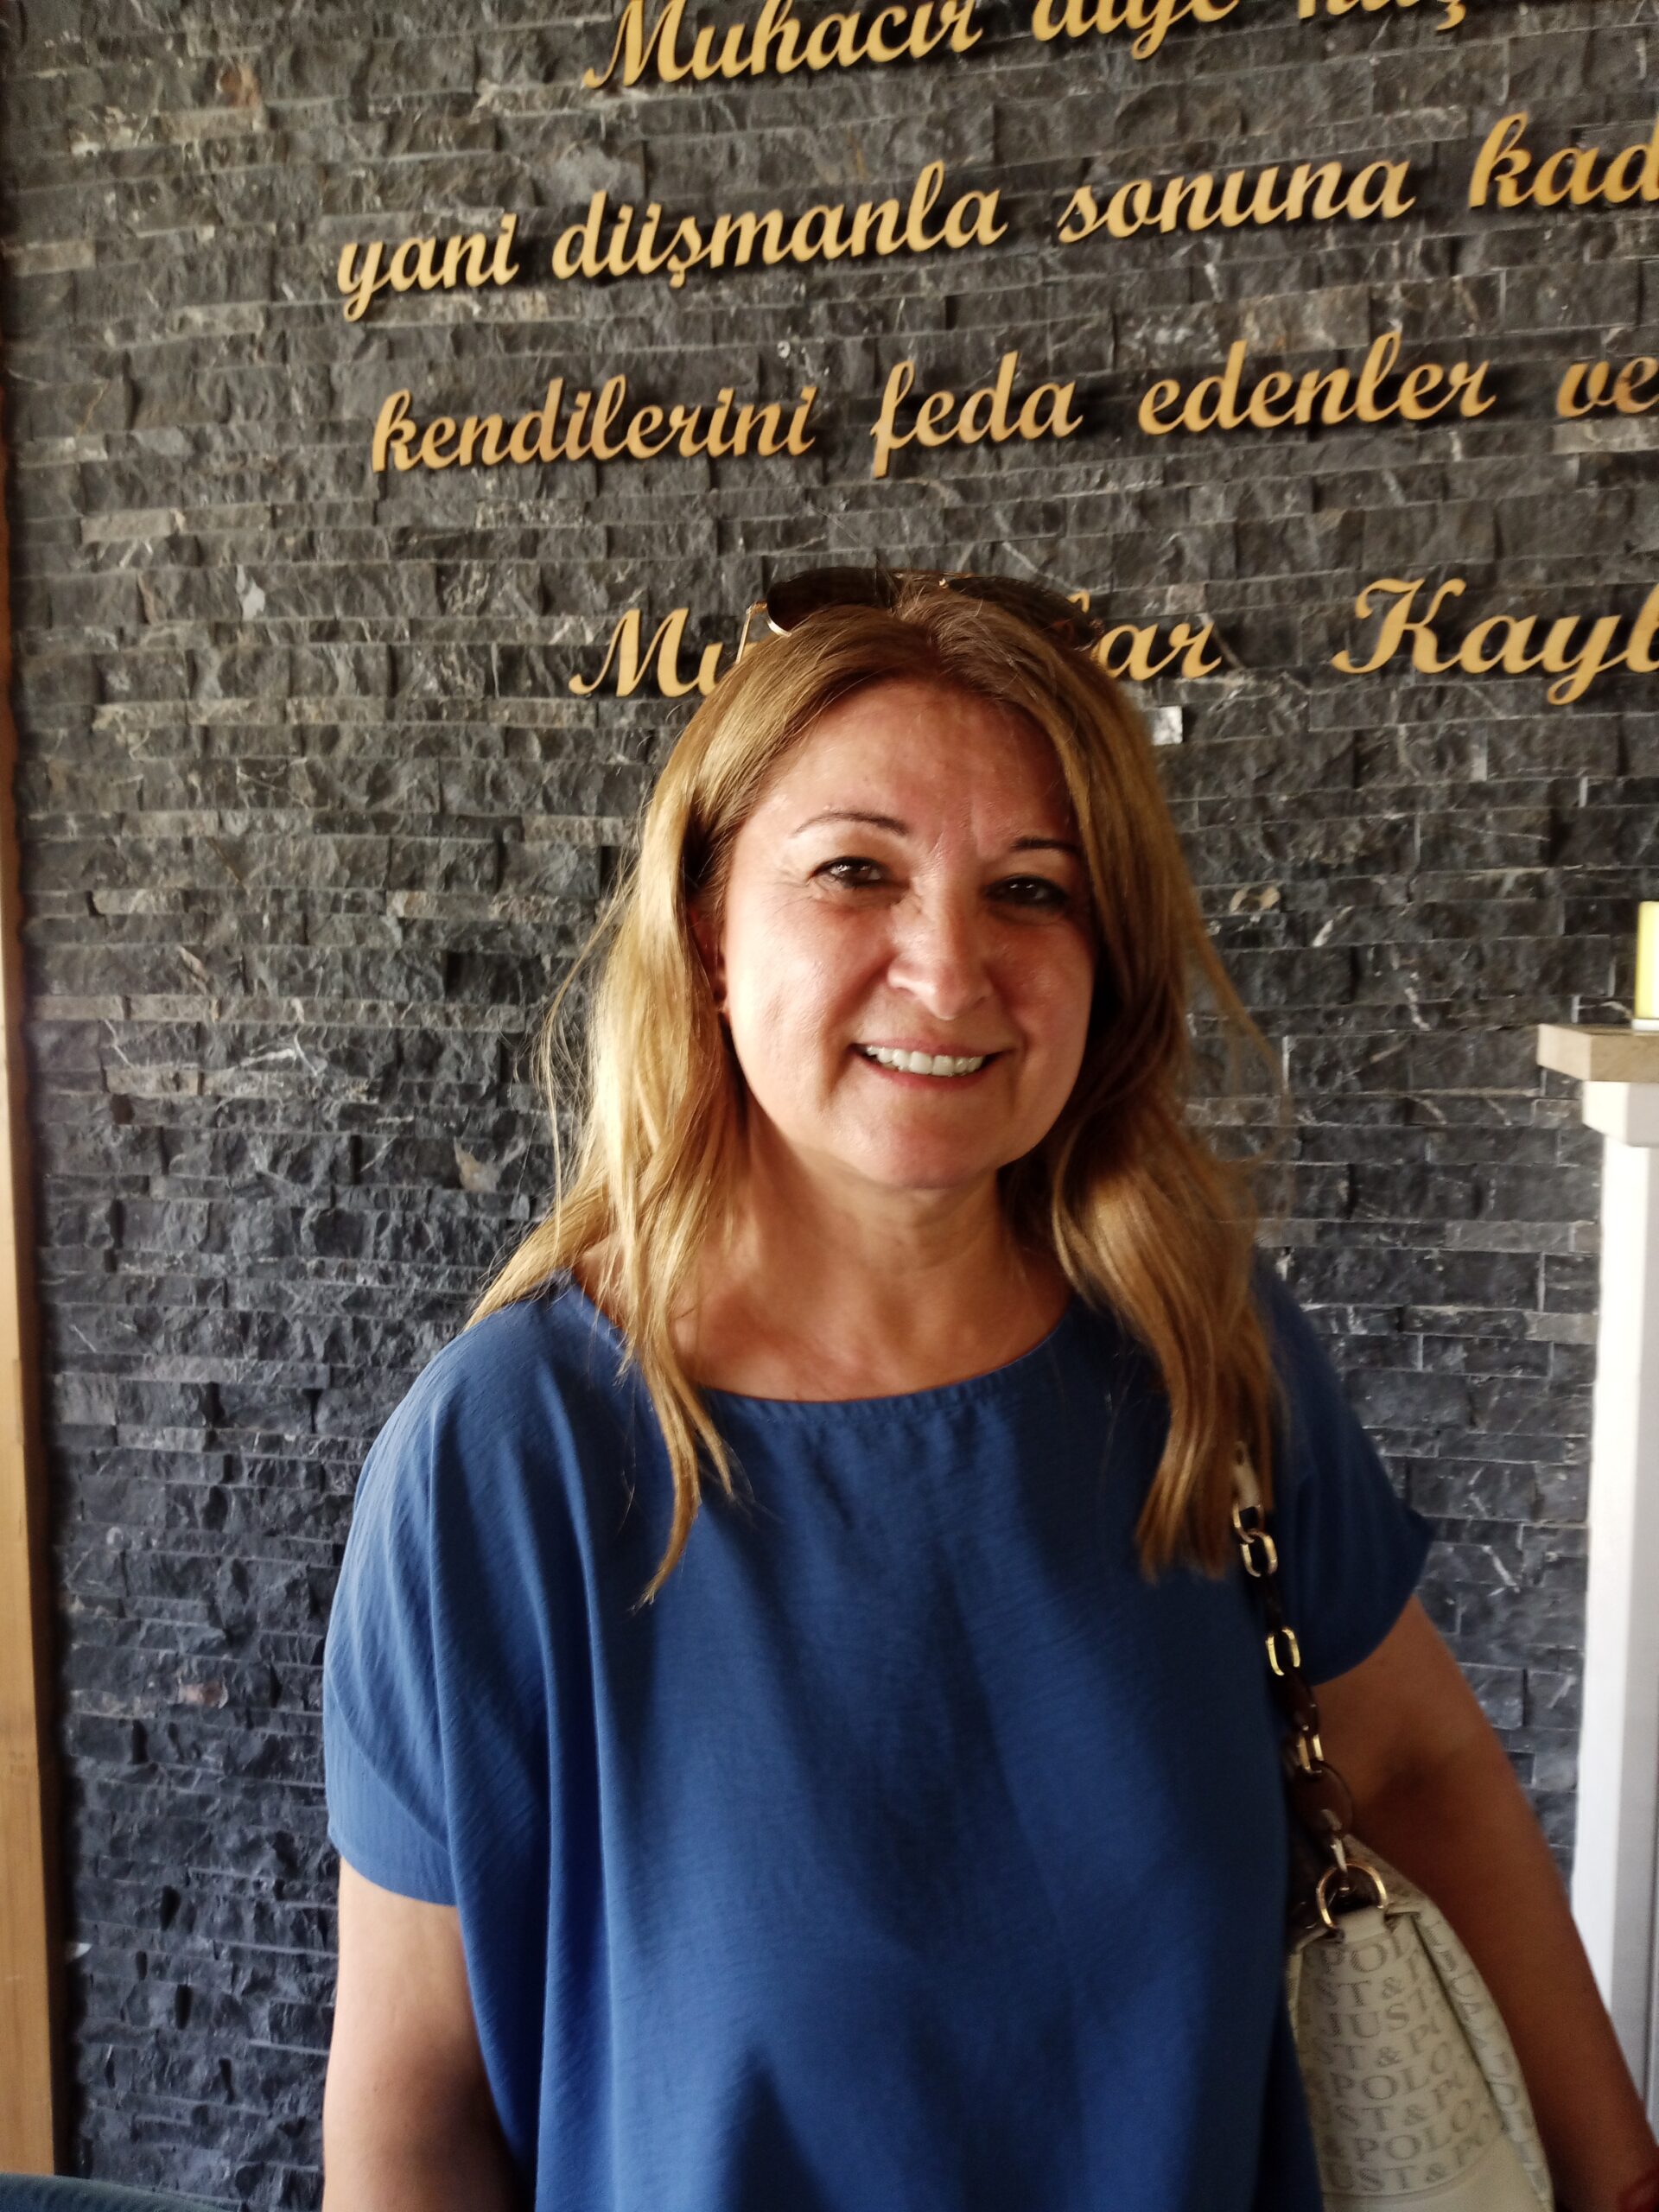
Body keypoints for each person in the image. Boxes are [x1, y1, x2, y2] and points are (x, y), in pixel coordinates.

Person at [319, 567, 1659, 2212]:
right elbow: (415, 2123)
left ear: (1107, 962)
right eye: (856, 872)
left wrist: (1619, 2181)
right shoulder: (512, 1456)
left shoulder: (1199, 1346)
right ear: (710, 932)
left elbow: (1418, 1771)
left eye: (1031, 891)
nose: (950, 974)